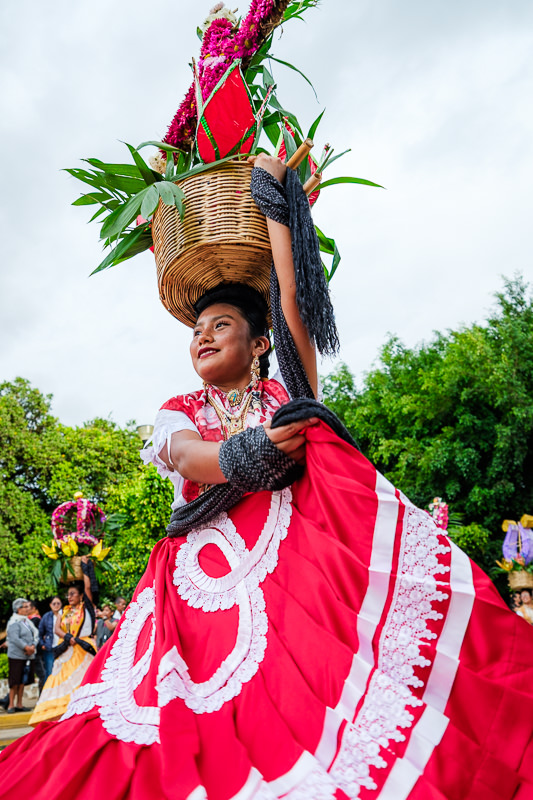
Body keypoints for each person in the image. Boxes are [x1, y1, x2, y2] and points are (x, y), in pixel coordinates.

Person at [1, 156, 533, 799]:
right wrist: (253, 452)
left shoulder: (285, 391)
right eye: (196, 330)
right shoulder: (175, 412)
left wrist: (280, 209)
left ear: (257, 345)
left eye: (220, 326)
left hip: (296, 568)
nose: (201, 338)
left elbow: (291, 309)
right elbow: (196, 460)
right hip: (200, 584)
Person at [28, 564, 96, 726]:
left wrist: (85, 567)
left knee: (82, 680)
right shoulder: (64, 611)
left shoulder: (85, 608)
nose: (69, 597)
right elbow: (57, 628)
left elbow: (87, 586)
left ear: (81, 596)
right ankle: (60, 714)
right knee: (59, 678)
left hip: (83, 649)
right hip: (66, 649)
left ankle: (80, 713)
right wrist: (66, 636)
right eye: (68, 594)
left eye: (73, 594)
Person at [5, 598, 38, 714]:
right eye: (25, 607)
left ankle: (19, 704)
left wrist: (33, 646)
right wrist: (26, 647)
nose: (27, 608)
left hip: (27, 656)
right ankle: (10, 705)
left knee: (22, 681)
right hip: (16, 655)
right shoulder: (14, 621)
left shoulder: (27, 621)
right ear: (18, 609)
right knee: (14, 681)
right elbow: (14, 638)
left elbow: (35, 635)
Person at [38, 596, 63, 682]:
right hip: (50, 648)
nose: (56, 605)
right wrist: (42, 644)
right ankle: (47, 694)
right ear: (50, 605)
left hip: (63, 647)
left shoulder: (65, 615)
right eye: (54, 604)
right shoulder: (46, 616)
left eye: (58, 603)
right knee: (49, 672)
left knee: (63, 671)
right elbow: (40, 632)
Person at [26, 600, 46, 693]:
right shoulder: (33, 620)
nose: (26, 609)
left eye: (28, 607)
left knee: (42, 675)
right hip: (33, 652)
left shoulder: (35, 620)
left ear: (33, 608)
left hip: (35, 652)